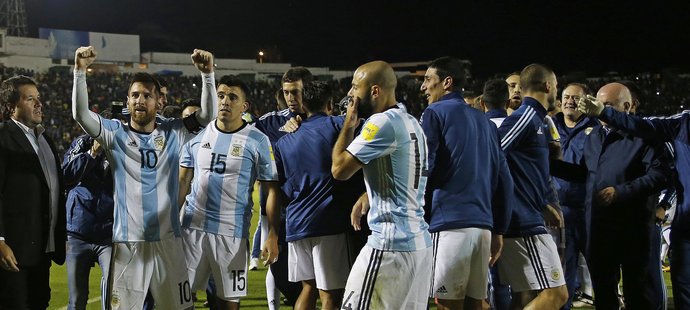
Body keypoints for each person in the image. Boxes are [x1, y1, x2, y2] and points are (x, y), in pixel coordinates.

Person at [72, 46, 216, 309]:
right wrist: (80, 71)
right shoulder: (114, 133)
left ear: (159, 102)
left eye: (146, 95)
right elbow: (81, 115)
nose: (139, 100)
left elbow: (207, 116)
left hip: (168, 241)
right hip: (128, 243)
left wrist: (207, 75)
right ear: (127, 101)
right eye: (134, 95)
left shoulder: (174, 132)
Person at [551, 82, 669, 309]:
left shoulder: (645, 135)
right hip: (598, 226)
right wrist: (550, 165)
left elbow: (660, 175)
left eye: (607, 105)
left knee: (637, 291)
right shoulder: (595, 135)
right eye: (597, 103)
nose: (599, 109)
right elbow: (586, 174)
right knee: (604, 293)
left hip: (633, 227)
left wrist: (621, 192)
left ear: (627, 106)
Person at [331, 60, 432, 309]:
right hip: (419, 245)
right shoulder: (412, 123)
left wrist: (349, 124)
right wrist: (368, 194)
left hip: (390, 245)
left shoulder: (381, 123)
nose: (350, 94)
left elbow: (339, 170)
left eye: (355, 87)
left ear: (375, 90)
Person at [178, 75, 281, 310]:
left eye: (232, 97)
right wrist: (171, 219)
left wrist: (273, 233)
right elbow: (182, 181)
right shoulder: (197, 137)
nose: (225, 101)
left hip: (232, 234)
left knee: (227, 304)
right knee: (180, 300)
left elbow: (272, 190)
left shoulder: (258, 141)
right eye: (221, 96)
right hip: (192, 230)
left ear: (244, 106)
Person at [419, 57, 514, 310]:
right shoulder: (484, 121)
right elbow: (504, 180)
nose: (423, 87)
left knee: (447, 303)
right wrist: (499, 229)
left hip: (450, 222)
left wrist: (419, 213)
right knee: (476, 303)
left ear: (447, 82)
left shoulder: (434, 113)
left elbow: (426, 168)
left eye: (428, 80)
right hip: (483, 227)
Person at [273, 81, 364, 310]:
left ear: (303, 104)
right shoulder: (338, 125)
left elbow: (281, 185)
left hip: (296, 224)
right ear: (331, 104)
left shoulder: (283, 141)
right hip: (327, 222)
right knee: (331, 295)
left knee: (308, 288)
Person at [496, 64, 568, 309]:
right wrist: (517, 205)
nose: (556, 92)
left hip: (527, 215)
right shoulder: (525, 117)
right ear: (547, 85)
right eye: (556, 86)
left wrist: (542, 204)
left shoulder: (536, 119)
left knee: (524, 295)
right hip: (523, 222)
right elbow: (493, 157)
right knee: (557, 294)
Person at [0, 75, 67, 309]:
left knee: (40, 303)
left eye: (39, 98)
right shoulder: (3, 137)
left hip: (42, 249)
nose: (39, 104)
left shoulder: (45, 138)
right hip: (13, 252)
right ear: (11, 106)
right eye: (30, 99)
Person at [253, 67, 313, 309]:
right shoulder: (270, 123)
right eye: (286, 92)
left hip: (316, 213)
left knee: (323, 284)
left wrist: (300, 135)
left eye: (295, 92)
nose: (290, 98)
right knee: (282, 277)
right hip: (281, 215)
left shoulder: (321, 120)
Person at [62, 108, 120, 310]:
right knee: (77, 300)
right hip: (79, 232)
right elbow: (67, 175)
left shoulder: (125, 149)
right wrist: (93, 152)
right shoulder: (83, 142)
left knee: (113, 295)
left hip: (109, 235)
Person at [551, 83, 599, 309]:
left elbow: (592, 171)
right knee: (562, 278)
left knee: (602, 274)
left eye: (575, 98)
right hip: (559, 215)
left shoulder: (597, 128)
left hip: (590, 213)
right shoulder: (550, 125)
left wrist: (550, 165)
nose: (569, 101)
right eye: (566, 96)